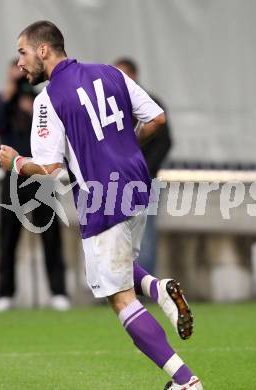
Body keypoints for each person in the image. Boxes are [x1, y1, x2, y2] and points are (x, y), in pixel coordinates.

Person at [0, 21, 202, 389]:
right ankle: (158, 288)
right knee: (121, 264)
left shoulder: (48, 99)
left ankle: (185, 381)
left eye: (23, 52)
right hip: (138, 186)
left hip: (100, 198)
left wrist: (15, 162)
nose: (19, 63)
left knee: (119, 299)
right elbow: (156, 118)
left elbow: (49, 168)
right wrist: (124, 151)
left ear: (44, 50)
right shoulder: (110, 72)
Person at [0, 59, 70, 312]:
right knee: (8, 236)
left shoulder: (40, 100)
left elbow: (53, 131)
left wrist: (32, 110)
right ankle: (5, 293)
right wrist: (8, 92)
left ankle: (58, 291)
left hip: (40, 173)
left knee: (51, 235)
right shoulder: (2, 102)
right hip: (12, 176)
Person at [114, 58, 172, 276]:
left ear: (134, 77)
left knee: (145, 236)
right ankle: (118, 287)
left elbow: (164, 142)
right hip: (115, 183)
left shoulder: (150, 104)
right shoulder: (110, 107)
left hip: (146, 180)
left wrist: (142, 169)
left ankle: (145, 288)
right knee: (115, 235)